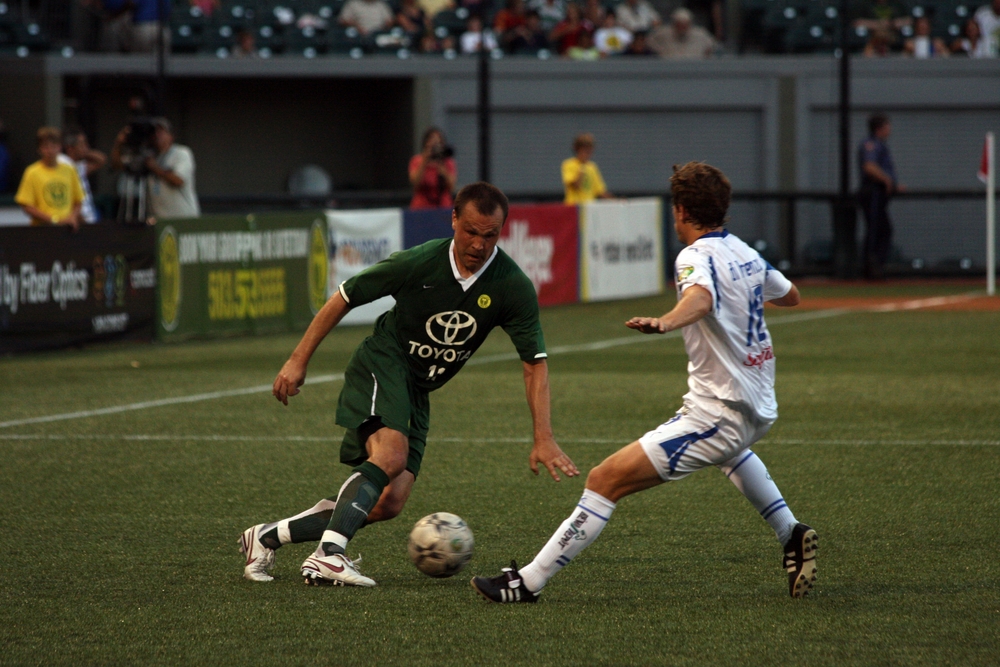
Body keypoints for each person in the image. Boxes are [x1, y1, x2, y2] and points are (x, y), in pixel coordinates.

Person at [471, 162, 817, 604]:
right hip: (754, 404)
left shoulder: (693, 256)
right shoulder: (745, 252)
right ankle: (791, 533)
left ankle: (527, 583)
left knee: (604, 479)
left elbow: (701, 297)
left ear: (682, 210)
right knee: (731, 455)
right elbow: (790, 295)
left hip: (722, 412)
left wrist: (666, 321)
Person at [240, 182, 580, 587]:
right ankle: (329, 555)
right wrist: (298, 360)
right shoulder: (418, 263)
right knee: (391, 456)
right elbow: (345, 296)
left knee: (389, 501)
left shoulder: (511, 285)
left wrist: (544, 435)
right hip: (383, 361)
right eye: (470, 231)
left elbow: (534, 364)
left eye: (490, 235)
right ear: (453, 219)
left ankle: (264, 537)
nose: (478, 244)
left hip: (418, 388)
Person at [112, 117, 200, 221]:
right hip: (158, 222)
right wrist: (119, 143)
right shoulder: (147, 155)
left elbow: (178, 180)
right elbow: (117, 165)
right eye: (154, 132)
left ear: (171, 136)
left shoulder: (181, 153)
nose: (157, 135)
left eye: (161, 131)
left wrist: (154, 168)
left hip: (183, 219)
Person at [857, 113, 903, 279]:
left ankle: (876, 266)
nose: (889, 130)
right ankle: (870, 268)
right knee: (876, 230)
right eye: (887, 126)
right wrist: (886, 179)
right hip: (873, 192)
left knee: (883, 230)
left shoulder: (881, 145)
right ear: (879, 128)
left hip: (879, 194)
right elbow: (869, 167)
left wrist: (894, 184)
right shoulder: (871, 144)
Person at [15, 127, 84, 229]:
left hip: (67, 228)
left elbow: (78, 200)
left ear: (60, 147)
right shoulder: (32, 172)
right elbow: (26, 205)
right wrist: (54, 220)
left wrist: (72, 217)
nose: (50, 151)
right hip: (42, 230)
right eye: (46, 147)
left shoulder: (69, 170)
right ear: (39, 149)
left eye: (54, 146)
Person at [61, 129, 107, 224]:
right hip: (76, 220)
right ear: (70, 148)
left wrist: (84, 151)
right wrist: (78, 217)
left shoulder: (80, 165)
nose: (86, 147)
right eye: (82, 144)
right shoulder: (62, 164)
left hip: (89, 218)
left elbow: (101, 160)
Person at [409, 127, 458, 209]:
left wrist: (443, 171)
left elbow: (451, 187)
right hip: (421, 208)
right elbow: (415, 183)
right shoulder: (417, 161)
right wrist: (424, 162)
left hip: (443, 207)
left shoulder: (447, 162)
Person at [561, 132, 611, 204]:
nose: (588, 154)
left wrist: (616, 201)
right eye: (585, 151)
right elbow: (575, 186)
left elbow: (600, 192)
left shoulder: (592, 167)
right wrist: (582, 168)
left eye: (589, 151)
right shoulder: (569, 164)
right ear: (577, 150)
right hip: (574, 207)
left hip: (589, 207)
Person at [647, 7, 717, 58]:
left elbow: (712, 46)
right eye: (679, 25)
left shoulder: (701, 34)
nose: (682, 29)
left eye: (685, 25)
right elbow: (648, 42)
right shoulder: (662, 34)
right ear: (674, 24)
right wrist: (660, 51)